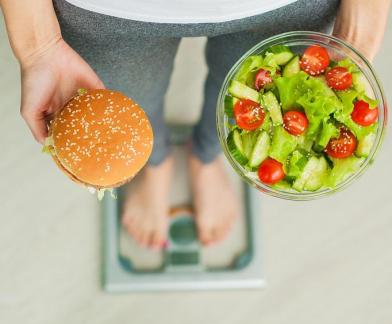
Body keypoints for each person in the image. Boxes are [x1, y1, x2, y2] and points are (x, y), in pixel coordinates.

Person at [0, 0, 390, 250]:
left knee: (247, 111)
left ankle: (207, 156)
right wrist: (38, 44)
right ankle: (153, 164)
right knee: (129, 103)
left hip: (288, 5)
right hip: (104, 11)